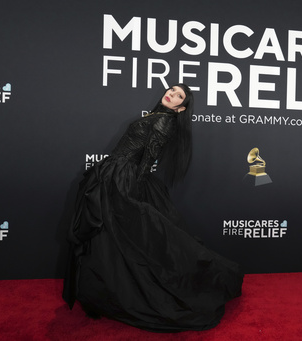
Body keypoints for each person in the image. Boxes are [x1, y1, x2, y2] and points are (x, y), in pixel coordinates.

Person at [62, 84, 243, 332]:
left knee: (118, 236)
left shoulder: (165, 121)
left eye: (179, 96)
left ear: (181, 108)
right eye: (172, 89)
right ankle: (103, 293)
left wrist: (130, 192)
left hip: (123, 179)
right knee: (108, 239)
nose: (171, 94)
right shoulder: (156, 116)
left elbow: (148, 159)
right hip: (114, 173)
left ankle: (114, 294)